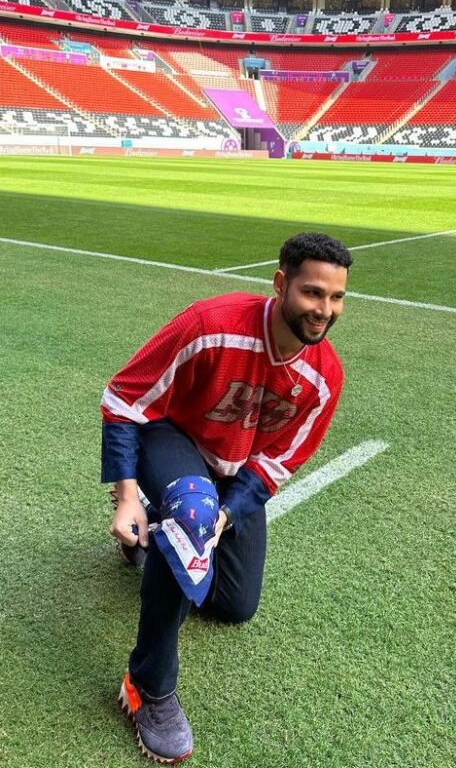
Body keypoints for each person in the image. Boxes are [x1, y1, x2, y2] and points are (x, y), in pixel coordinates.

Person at [101, 232, 353, 763]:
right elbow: (123, 397)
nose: (323, 310)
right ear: (281, 283)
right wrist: (125, 494)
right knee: (191, 513)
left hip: (229, 473)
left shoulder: (324, 378)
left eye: (336, 298)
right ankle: (149, 687)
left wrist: (229, 513)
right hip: (169, 440)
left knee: (234, 605)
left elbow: (277, 462)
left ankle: (151, 535)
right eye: (312, 293)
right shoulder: (209, 324)